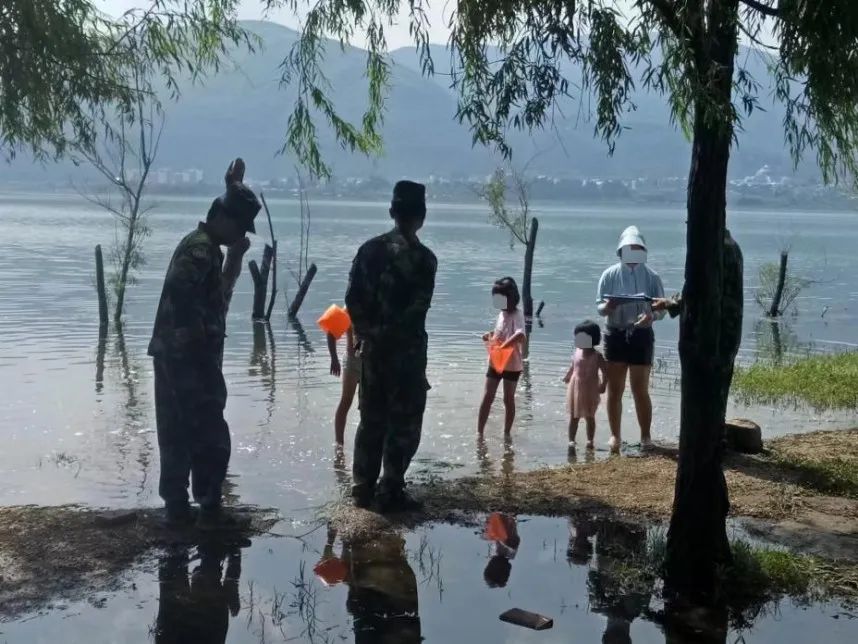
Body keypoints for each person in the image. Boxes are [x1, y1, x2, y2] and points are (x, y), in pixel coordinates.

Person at [148, 158, 260, 528]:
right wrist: (197, 339)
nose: (240, 233)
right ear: (222, 217)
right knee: (207, 431)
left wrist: (236, 257)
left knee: (177, 430)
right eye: (239, 226)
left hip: (178, 354)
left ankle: (179, 507)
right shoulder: (200, 249)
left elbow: (219, 299)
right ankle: (206, 506)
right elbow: (182, 293)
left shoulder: (209, 248)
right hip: (188, 358)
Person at [344, 180, 437, 512]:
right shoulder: (424, 259)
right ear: (422, 216)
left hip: (373, 351)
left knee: (371, 419)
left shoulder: (368, 251)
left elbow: (352, 300)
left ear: (391, 212)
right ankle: (391, 489)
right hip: (406, 355)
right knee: (405, 422)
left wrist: (369, 335)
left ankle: (362, 488)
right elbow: (417, 310)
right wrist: (391, 337)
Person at [596, 226, 665, 453]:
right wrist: (609, 306)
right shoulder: (609, 275)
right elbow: (600, 308)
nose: (633, 253)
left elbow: (662, 307)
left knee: (640, 389)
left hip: (641, 334)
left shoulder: (652, 277)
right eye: (629, 249)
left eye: (637, 249)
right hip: (615, 333)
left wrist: (651, 316)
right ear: (621, 251)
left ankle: (645, 436)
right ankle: (615, 436)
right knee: (615, 389)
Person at [477, 277, 527, 435]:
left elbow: (520, 334)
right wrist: (490, 335)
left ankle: (506, 433)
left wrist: (505, 345)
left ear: (511, 298)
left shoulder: (518, 315)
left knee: (508, 399)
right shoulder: (501, 314)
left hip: (512, 364)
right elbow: (501, 332)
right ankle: (479, 433)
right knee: (487, 396)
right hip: (496, 361)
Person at [563, 320, 607, 450]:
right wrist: (568, 376)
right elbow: (573, 366)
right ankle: (571, 440)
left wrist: (603, 385)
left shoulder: (597, 356)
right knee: (573, 416)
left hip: (590, 389)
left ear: (592, 339)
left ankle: (590, 440)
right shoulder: (577, 352)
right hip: (575, 388)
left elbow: (605, 372)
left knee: (590, 416)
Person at [326, 318, 360, 446]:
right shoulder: (350, 309)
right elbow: (331, 332)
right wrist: (334, 358)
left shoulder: (379, 308)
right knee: (346, 401)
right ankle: (339, 444)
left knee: (370, 405)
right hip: (352, 361)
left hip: (372, 363)